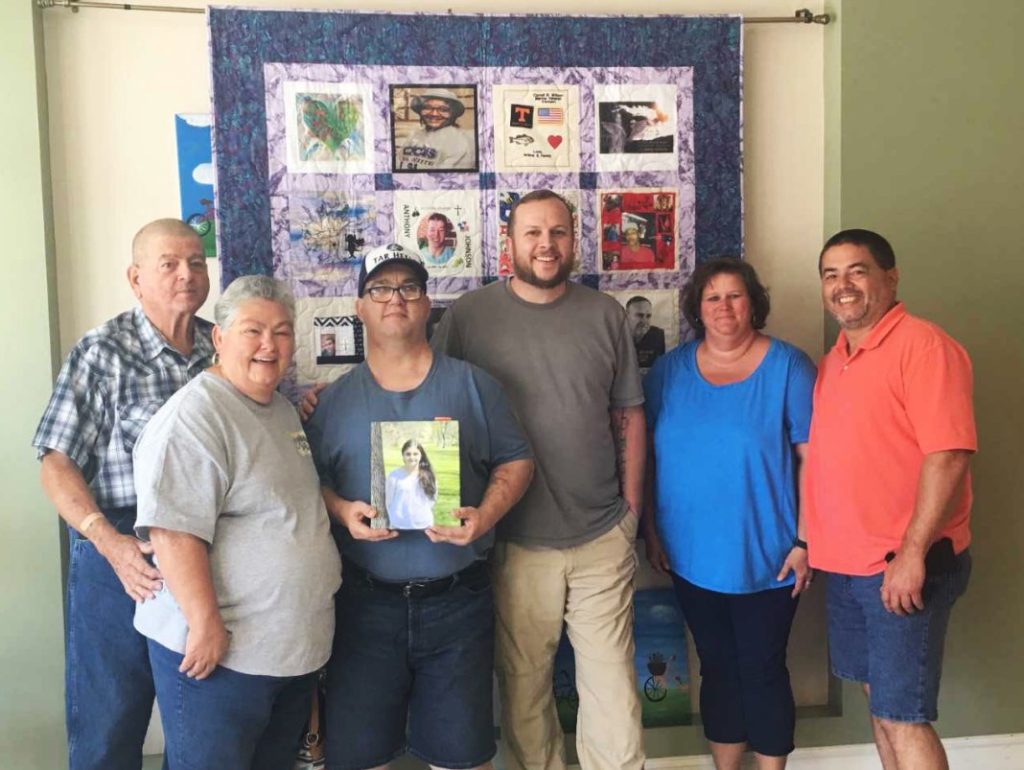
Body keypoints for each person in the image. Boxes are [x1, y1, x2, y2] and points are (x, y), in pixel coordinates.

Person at [431, 190, 647, 770]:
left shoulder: (605, 315)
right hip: (515, 542)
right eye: (532, 233)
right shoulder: (467, 318)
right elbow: (428, 406)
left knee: (615, 690)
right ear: (509, 244)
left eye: (557, 232)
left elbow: (628, 414)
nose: (546, 245)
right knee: (524, 692)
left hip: (602, 535)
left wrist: (631, 512)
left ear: (574, 240)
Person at [304, 243, 534, 770]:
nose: (395, 299)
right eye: (379, 288)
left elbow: (517, 461)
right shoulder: (332, 402)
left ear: (428, 304)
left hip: (457, 603)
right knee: (360, 757)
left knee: (462, 757)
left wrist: (486, 516)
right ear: (359, 307)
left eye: (409, 287)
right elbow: (304, 482)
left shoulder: (474, 386)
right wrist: (341, 510)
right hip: (363, 607)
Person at [132, 275, 341, 769]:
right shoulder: (196, 415)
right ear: (220, 338)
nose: (270, 345)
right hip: (221, 658)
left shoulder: (281, 409)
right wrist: (205, 625)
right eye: (253, 330)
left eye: (283, 331)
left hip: (283, 656)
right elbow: (172, 529)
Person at [32, 218, 212, 770]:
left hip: (205, 549)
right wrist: (108, 542)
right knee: (109, 725)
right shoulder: (103, 352)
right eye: (169, 264)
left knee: (200, 724)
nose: (187, 274)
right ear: (136, 279)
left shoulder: (221, 347)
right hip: (122, 554)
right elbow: (55, 460)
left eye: (197, 263)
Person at [805, 229, 975, 770]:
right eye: (831, 275)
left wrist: (912, 555)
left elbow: (948, 455)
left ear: (890, 276)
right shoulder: (836, 360)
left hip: (901, 565)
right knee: (879, 704)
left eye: (857, 271)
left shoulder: (924, 347)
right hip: (849, 567)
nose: (843, 285)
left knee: (903, 715)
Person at [642, 258, 816, 770]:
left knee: (762, 667)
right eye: (712, 297)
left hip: (771, 555)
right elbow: (649, 457)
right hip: (689, 555)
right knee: (716, 667)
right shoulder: (669, 373)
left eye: (735, 295)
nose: (724, 307)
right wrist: (651, 530)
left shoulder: (788, 367)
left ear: (754, 303)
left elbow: (813, 462)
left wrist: (805, 542)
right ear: (697, 307)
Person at [394, 87, 475, 171]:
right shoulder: (415, 135)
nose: (434, 114)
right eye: (427, 107)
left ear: (452, 113)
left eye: (443, 109)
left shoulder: (459, 141)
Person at [385, 439, 437, 529]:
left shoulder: (429, 475)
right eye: (408, 454)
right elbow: (388, 501)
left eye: (415, 454)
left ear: (421, 455)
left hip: (424, 525)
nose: (412, 457)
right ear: (403, 456)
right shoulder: (393, 476)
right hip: (399, 526)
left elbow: (432, 500)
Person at [625, 295, 666, 368]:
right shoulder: (615, 336)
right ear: (626, 315)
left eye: (648, 316)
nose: (644, 321)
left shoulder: (657, 335)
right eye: (639, 315)